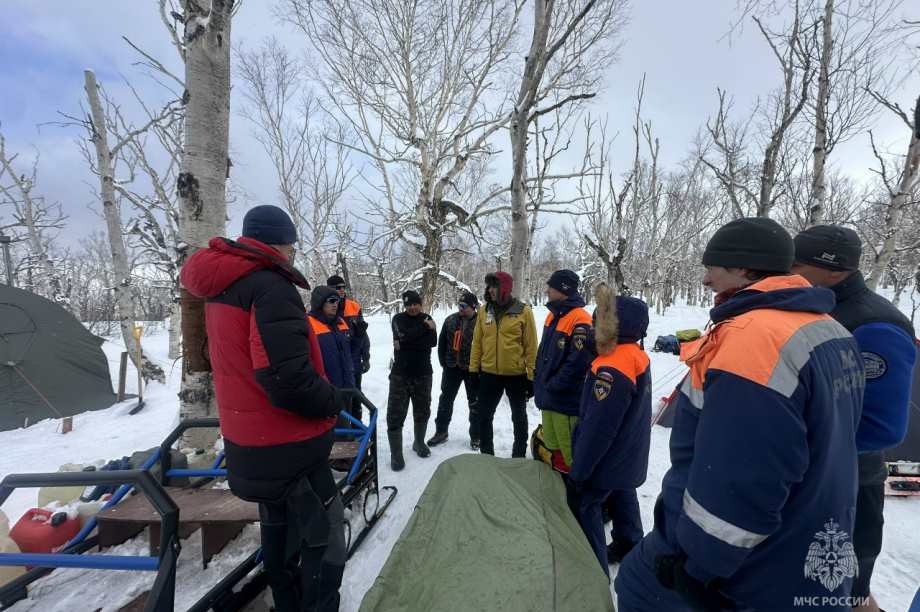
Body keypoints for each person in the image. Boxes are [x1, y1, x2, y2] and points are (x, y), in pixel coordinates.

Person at [615, 217, 865, 612]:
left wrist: (698, 565)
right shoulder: (830, 330)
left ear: (746, 268)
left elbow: (741, 474)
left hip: (746, 568)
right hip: (808, 536)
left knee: (634, 588)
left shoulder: (753, 340)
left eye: (712, 268)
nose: (705, 281)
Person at [181, 204, 346, 612]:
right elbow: (285, 378)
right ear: (281, 243)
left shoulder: (221, 288)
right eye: (290, 245)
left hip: (247, 436)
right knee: (326, 533)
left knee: (278, 526)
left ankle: (285, 603)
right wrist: (332, 402)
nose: (291, 253)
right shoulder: (269, 287)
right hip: (285, 440)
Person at [792, 225, 917, 612]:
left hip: (848, 479)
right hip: (810, 472)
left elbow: (883, 426)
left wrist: (805, 445)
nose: (787, 271)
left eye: (796, 263)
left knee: (846, 590)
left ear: (834, 269)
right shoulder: (813, 305)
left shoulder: (875, 323)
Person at [568, 284, 651, 578]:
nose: (592, 326)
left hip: (609, 457)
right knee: (623, 493)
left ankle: (592, 570)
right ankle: (629, 542)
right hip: (628, 454)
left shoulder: (611, 366)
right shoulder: (634, 354)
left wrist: (580, 470)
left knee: (588, 506)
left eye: (598, 321)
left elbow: (598, 428)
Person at [468, 271, 538, 458]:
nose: (490, 290)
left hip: (516, 375)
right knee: (484, 416)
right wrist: (473, 371)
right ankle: (487, 455)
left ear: (504, 288)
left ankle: (518, 455)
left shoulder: (523, 311)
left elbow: (531, 348)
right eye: (489, 286)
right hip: (489, 374)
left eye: (494, 286)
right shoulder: (484, 311)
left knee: (519, 418)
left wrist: (532, 378)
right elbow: (477, 343)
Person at [533, 269, 593, 472]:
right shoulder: (552, 316)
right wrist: (538, 380)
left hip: (565, 400)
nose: (547, 289)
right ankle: (557, 486)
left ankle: (572, 493)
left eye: (551, 286)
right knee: (552, 445)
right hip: (548, 395)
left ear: (564, 289)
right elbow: (544, 353)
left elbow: (579, 363)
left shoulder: (580, 319)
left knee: (570, 452)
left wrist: (554, 385)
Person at [386, 290, 437, 471]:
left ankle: (419, 443)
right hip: (400, 375)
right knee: (395, 414)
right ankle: (396, 455)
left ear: (420, 304)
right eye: (409, 304)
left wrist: (406, 340)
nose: (413, 307)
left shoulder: (428, 316)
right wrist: (423, 329)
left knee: (422, 411)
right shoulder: (398, 319)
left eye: (415, 304)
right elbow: (402, 336)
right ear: (404, 305)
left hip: (423, 374)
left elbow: (432, 342)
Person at [428, 291, 481, 449]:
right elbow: (442, 343)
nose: (461, 308)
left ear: (473, 307)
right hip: (451, 367)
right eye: (459, 305)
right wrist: (444, 364)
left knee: (475, 402)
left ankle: (476, 436)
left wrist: (480, 369)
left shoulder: (481, 322)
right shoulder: (450, 320)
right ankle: (441, 431)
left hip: (472, 369)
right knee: (445, 400)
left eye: (464, 306)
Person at [328, 274, 370, 422]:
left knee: (356, 396)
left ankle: (357, 427)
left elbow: (362, 333)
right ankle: (340, 430)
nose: (341, 290)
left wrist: (366, 357)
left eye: (343, 287)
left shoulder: (354, 306)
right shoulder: (325, 308)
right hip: (335, 363)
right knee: (337, 398)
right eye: (337, 287)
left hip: (354, 361)